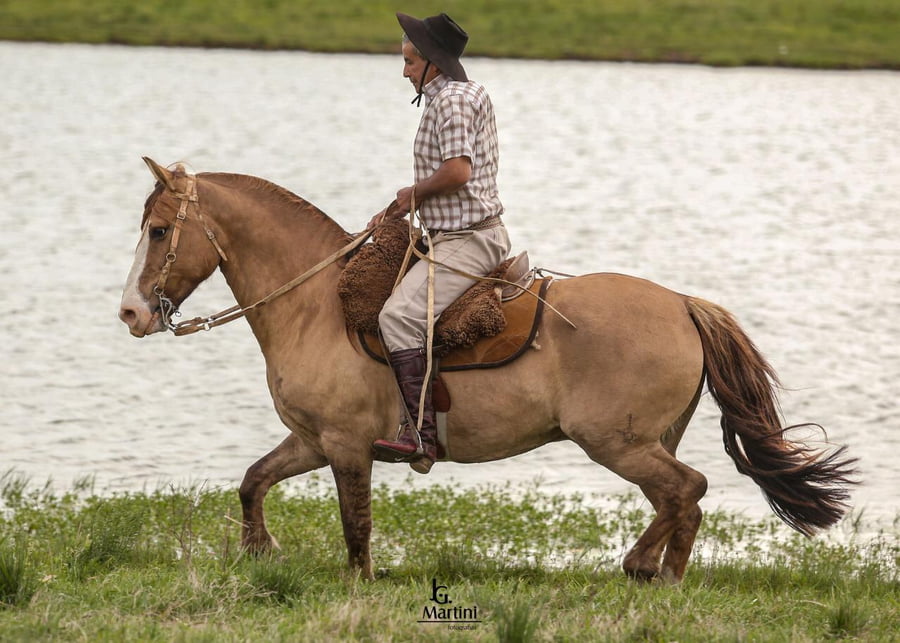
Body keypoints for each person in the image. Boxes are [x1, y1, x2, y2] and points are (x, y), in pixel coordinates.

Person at [370, 12, 511, 474]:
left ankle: (420, 435)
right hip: (455, 232)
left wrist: (412, 195)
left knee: (398, 317)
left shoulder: (450, 102)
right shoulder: (461, 93)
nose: (405, 71)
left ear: (432, 61)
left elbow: (457, 172)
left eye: (410, 61)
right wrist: (399, 210)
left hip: (468, 239)